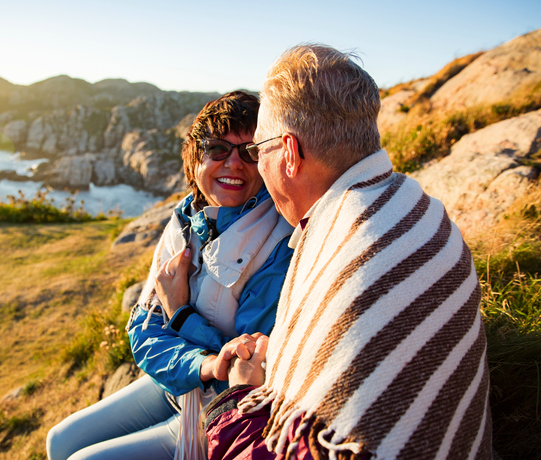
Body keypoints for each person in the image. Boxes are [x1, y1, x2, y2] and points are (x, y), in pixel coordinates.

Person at [202, 45, 493, 460]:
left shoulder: (342, 248)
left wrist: (241, 395)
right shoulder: (418, 207)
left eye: (255, 151)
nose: (254, 165)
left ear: (288, 153)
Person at [46, 91, 294, 460]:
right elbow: (143, 328)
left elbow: (245, 363)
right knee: (59, 441)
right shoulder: (184, 218)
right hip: (178, 382)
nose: (234, 164)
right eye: (217, 150)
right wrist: (200, 362)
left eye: (250, 152)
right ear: (195, 158)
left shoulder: (278, 240)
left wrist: (179, 313)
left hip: (219, 407)